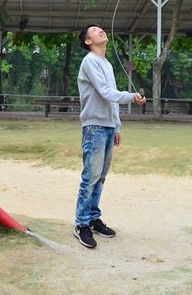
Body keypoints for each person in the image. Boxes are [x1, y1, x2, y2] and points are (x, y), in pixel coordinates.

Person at [73, 24, 145, 249]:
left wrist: (117, 126)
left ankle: (94, 218)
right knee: (90, 177)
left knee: (101, 177)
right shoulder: (90, 61)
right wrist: (131, 96)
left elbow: (110, 99)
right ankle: (81, 224)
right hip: (94, 127)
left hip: (107, 127)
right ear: (88, 41)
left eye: (101, 28)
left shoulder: (107, 64)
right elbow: (105, 92)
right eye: (94, 30)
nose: (101, 30)